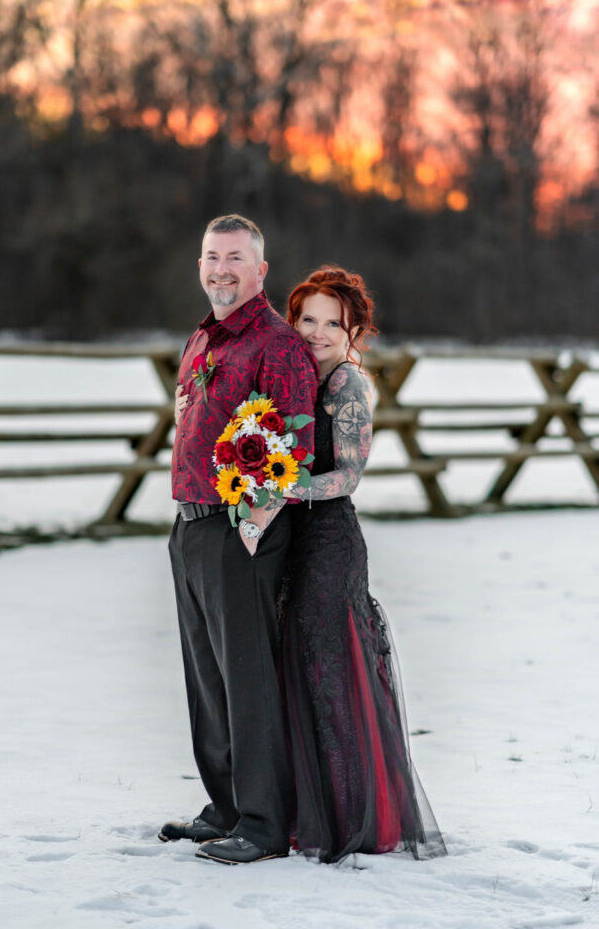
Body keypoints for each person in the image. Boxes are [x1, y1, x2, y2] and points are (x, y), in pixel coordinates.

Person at [161, 214, 318, 865]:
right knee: (206, 678)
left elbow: (296, 444)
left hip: (240, 532)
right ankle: (224, 805)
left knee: (248, 679)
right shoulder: (201, 339)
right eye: (209, 255)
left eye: (234, 257)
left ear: (259, 271)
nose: (219, 267)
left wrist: (255, 521)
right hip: (188, 524)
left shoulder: (275, 344)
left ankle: (261, 822)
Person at [282, 265, 447, 863]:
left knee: (332, 674)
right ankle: (306, 810)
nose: (318, 332)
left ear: (353, 332)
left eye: (333, 323)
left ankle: (354, 818)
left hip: (328, 543)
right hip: (287, 540)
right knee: (295, 670)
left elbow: (349, 474)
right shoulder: (292, 374)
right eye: (308, 319)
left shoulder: (349, 385)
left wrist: (283, 487)